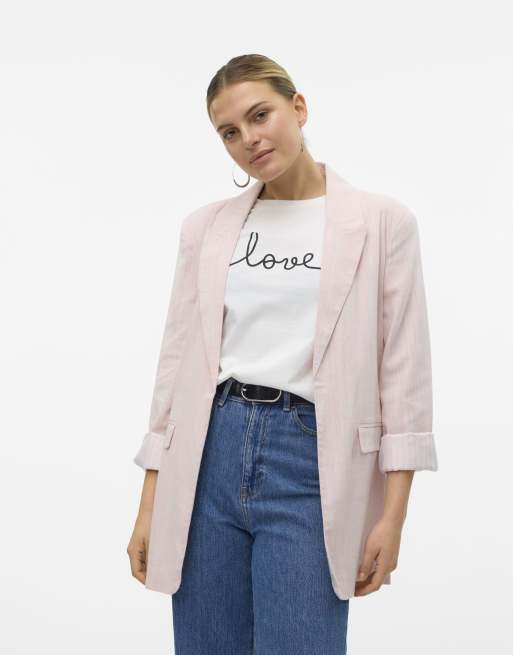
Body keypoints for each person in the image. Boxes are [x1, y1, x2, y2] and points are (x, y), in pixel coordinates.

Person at [127, 53, 438, 654]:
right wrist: (149, 506)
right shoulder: (205, 230)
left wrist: (392, 516)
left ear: (298, 108)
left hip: (312, 459)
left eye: (259, 115)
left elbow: (403, 373)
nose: (248, 139)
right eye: (229, 132)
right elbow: (175, 368)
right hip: (208, 454)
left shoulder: (382, 223)